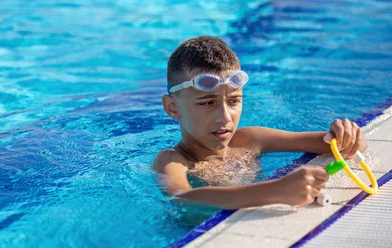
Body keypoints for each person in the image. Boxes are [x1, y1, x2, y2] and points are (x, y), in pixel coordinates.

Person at [153, 36, 366, 210]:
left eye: (234, 101)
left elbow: (336, 145)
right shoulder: (173, 160)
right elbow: (180, 199)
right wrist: (275, 191)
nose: (225, 117)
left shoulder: (249, 140)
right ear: (173, 108)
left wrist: (349, 136)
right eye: (208, 103)